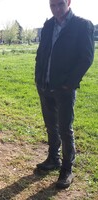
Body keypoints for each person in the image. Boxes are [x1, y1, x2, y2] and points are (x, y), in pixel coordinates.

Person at [35, 0, 95, 189]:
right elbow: (42, 52)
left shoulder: (82, 25)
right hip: (44, 85)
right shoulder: (48, 25)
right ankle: (53, 159)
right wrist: (38, 77)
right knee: (50, 126)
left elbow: (86, 58)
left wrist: (69, 84)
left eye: (60, 4)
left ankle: (66, 170)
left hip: (64, 90)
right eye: (52, 5)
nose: (56, 8)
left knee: (65, 130)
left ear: (68, 2)